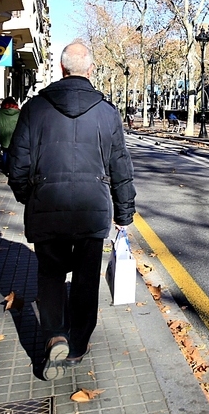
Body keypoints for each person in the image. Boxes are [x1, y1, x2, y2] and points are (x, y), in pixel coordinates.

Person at [8, 39, 136, 381]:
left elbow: (17, 164)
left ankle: (55, 335)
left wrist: (28, 196)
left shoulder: (35, 109)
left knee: (50, 275)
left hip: (46, 203)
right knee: (84, 279)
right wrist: (124, 214)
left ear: (62, 69)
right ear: (90, 70)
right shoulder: (107, 112)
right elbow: (120, 166)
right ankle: (77, 346)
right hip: (92, 210)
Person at [0, 97, 21, 175]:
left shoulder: (0, 112)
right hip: (17, 137)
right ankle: (13, 167)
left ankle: (5, 168)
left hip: (4, 137)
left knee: (5, 152)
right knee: (15, 153)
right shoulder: (19, 113)